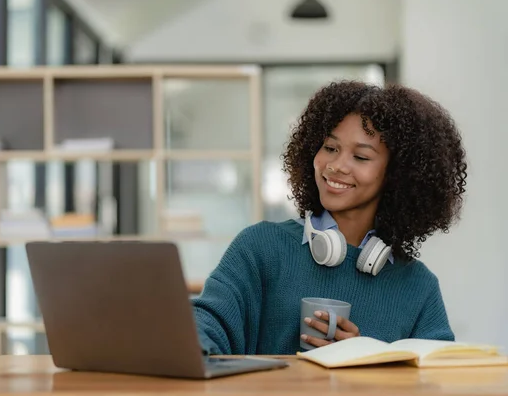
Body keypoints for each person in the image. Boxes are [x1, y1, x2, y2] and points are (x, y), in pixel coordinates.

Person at [192, 80, 467, 355]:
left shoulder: (418, 288)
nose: (336, 166)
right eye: (330, 148)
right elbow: (205, 324)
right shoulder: (261, 248)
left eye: (360, 157)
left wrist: (371, 360)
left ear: (398, 176)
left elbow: (437, 378)